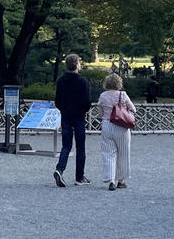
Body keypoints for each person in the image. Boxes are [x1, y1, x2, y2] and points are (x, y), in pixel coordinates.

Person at [52, 53, 92, 187]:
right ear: (77, 65)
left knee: (66, 146)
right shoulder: (83, 81)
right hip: (79, 117)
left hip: (66, 116)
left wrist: (64, 109)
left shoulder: (61, 81)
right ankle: (79, 177)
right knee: (80, 147)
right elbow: (87, 102)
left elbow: (57, 100)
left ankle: (60, 169)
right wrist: (83, 110)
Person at [97, 73, 136, 190]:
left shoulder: (103, 96)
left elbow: (100, 111)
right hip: (121, 126)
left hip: (107, 125)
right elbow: (133, 109)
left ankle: (111, 180)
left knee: (108, 153)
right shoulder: (123, 95)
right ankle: (121, 180)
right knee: (123, 153)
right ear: (119, 83)